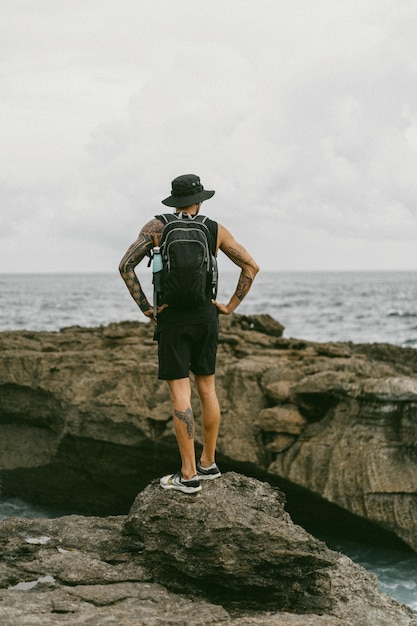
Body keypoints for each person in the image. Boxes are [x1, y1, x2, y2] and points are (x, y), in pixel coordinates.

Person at [119, 174, 259, 494]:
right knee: (207, 389)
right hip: (206, 317)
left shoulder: (157, 227)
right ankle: (208, 464)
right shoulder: (214, 229)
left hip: (171, 319)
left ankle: (188, 474)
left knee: (180, 395)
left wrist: (146, 308)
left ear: (174, 201)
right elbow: (251, 267)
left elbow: (126, 266)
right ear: (199, 201)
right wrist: (229, 306)